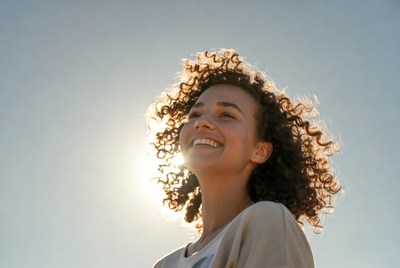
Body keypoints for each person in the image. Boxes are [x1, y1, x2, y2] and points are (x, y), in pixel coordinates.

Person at [147, 49, 341, 268]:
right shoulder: (165, 264)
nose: (201, 123)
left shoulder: (268, 221)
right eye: (195, 115)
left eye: (227, 115)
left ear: (259, 151)